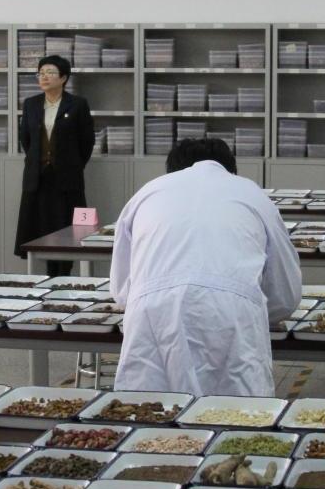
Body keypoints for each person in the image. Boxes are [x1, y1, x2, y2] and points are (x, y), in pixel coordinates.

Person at [111, 138, 301, 397]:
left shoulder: (147, 192)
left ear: (172, 170)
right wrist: (262, 311)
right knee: (236, 412)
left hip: (152, 313)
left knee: (149, 410)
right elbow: (285, 291)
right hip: (231, 314)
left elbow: (122, 289)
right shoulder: (251, 193)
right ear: (231, 170)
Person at [14, 54, 95, 276]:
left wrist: (73, 165)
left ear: (64, 78)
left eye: (50, 73)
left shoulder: (77, 104)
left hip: (66, 178)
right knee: (40, 226)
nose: (44, 77)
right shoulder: (31, 104)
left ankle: (64, 273)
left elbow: (86, 142)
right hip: (38, 178)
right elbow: (26, 140)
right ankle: (48, 274)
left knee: (65, 226)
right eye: (41, 73)